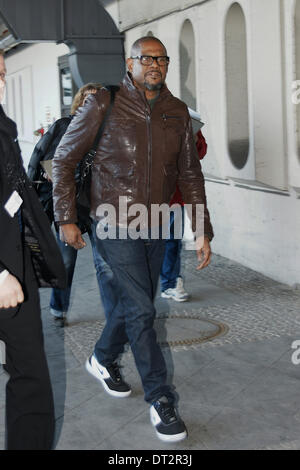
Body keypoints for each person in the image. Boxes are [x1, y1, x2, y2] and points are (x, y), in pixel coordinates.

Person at [52, 36, 214, 443]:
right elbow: (64, 160)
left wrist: (202, 228)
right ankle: (161, 399)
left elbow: (190, 175)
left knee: (133, 304)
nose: (155, 65)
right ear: (131, 62)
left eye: (162, 59)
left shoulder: (177, 112)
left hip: (157, 223)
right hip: (113, 223)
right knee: (143, 309)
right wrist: (66, 218)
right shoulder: (103, 103)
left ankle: (103, 357)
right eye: (148, 58)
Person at [0, 50, 66, 449]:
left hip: (15, 264)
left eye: (3, 72)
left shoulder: (2, 126)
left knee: (31, 373)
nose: (1, 80)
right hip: (2, 273)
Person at [28, 83, 113, 326]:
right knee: (66, 262)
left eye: (97, 100)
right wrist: (47, 174)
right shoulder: (64, 126)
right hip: (69, 205)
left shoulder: (110, 130)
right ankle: (58, 306)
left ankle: (114, 316)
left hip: (99, 206)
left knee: (105, 264)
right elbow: (42, 156)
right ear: (79, 102)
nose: (92, 104)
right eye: (87, 99)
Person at [161, 128, 208, 302]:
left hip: (175, 195)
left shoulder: (183, 115)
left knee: (172, 241)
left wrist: (195, 138)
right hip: (148, 194)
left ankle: (171, 283)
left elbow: (200, 152)